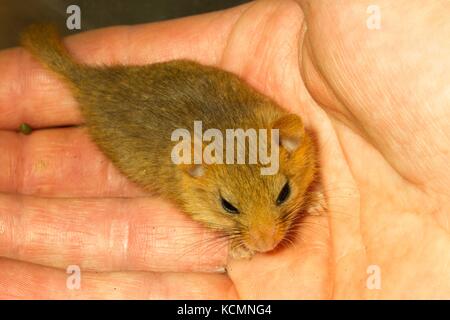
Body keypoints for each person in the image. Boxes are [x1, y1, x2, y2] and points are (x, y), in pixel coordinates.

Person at [0, 0, 449, 299]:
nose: (266, 236)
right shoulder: (203, 166)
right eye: (231, 208)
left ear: (291, 142)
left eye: (282, 196)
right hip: (132, 118)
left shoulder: (276, 134)